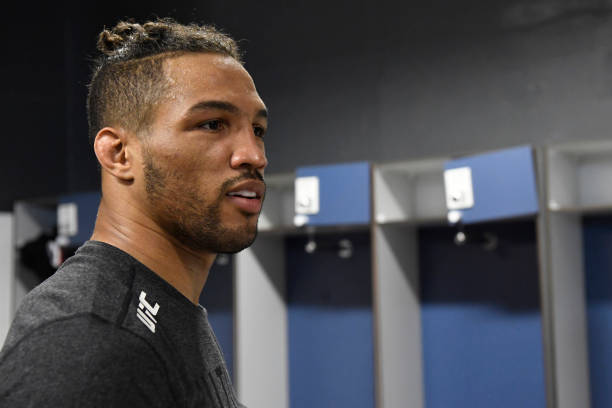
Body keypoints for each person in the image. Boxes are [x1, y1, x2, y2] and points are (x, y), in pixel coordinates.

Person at [0, 18, 268, 407]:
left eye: (258, 129)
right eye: (212, 124)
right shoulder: (86, 343)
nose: (253, 156)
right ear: (118, 154)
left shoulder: (166, 311)